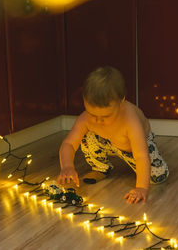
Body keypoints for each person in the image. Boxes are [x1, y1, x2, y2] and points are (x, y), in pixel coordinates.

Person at [57, 66, 169, 204]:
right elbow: (69, 143)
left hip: (135, 147)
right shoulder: (86, 118)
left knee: (158, 176)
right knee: (87, 137)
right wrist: (67, 166)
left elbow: (141, 155)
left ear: (121, 102)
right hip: (108, 142)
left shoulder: (130, 120)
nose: (98, 120)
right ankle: (101, 168)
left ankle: (144, 172)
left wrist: (141, 187)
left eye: (106, 116)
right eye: (92, 114)